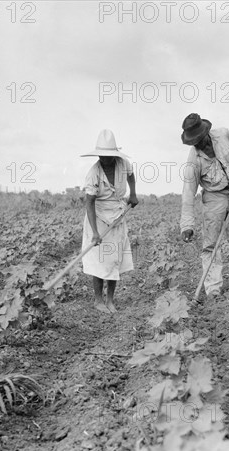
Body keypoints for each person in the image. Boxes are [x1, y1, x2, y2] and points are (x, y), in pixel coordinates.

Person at [179, 113, 229, 299]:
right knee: (210, 244)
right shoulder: (193, 162)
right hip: (213, 196)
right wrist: (187, 225)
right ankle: (213, 290)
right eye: (194, 141)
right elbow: (188, 194)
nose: (198, 143)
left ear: (206, 133)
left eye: (199, 139)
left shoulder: (223, 135)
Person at [81, 129, 138, 313]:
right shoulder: (93, 174)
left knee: (114, 260)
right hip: (97, 217)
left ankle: (111, 300)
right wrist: (95, 232)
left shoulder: (123, 164)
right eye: (102, 155)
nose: (105, 159)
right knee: (99, 262)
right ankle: (98, 300)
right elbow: (89, 203)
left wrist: (133, 193)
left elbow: (130, 175)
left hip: (117, 216)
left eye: (109, 155)